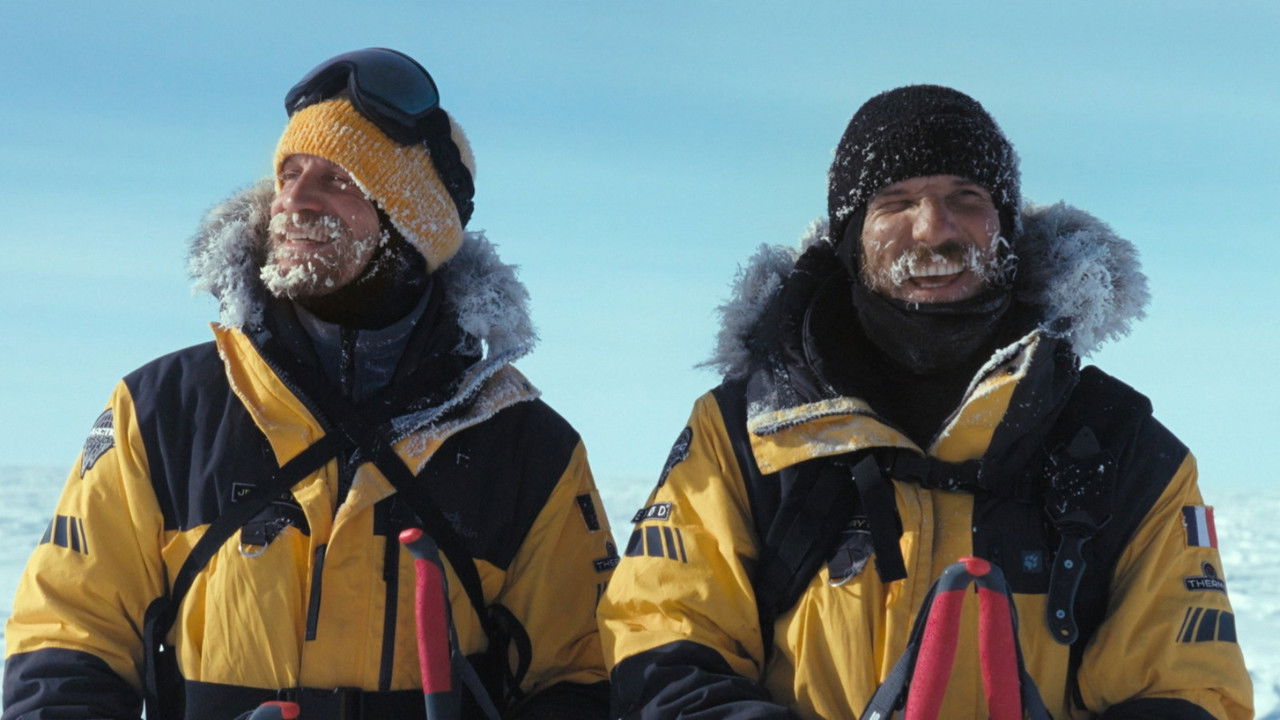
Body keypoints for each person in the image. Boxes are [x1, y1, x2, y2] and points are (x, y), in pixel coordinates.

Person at [598, 85, 1252, 719]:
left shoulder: (1126, 449)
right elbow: (662, 649)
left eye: (965, 198)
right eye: (897, 201)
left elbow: (1191, 689)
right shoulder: (743, 434)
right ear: (853, 234)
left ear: (1004, 224)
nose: (934, 228)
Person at [4, 48, 615, 720]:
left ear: (414, 223)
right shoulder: (161, 412)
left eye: (339, 178)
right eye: (289, 172)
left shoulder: (527, 446)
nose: (293, 198)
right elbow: (65, 644)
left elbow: (584, 675)